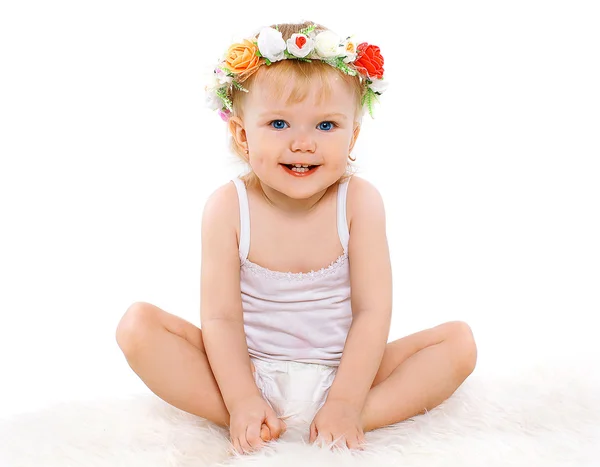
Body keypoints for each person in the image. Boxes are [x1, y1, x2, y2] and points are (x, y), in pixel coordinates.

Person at [115, 20, 478, 456]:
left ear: (353, 137)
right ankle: (251, 417)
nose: (303, 143)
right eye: (280, 123)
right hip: (247, 373)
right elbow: (222, 320)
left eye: (326, 126)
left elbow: (371, 312)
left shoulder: (358, 202)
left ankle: (350, 418)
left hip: (346, 375)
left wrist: (345, 399)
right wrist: (242, 397)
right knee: (138, 327)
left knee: (458, 343)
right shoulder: (228, 207)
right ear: (243, 136)